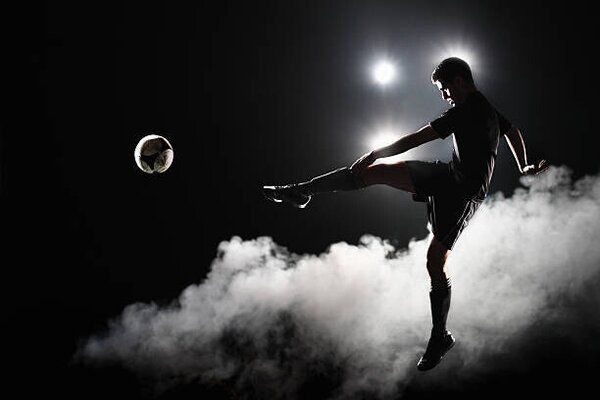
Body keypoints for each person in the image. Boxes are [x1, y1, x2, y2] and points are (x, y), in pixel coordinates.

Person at [262, 57, 548, 371]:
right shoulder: (488, 109)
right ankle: (301, 190)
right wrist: (523, 163)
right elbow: (512, 131)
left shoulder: (466, 112)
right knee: (377, 173)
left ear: (460, 80)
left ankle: (440, 336)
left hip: (463, 196)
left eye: (445, 88)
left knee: (434, 263)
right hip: (446, 176)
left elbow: (416, 139)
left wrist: (373, 151)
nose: (444, 95)